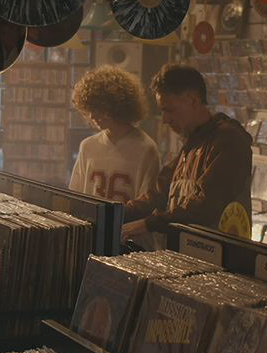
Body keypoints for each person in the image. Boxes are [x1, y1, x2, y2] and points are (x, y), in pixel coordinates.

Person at [121, 64, 254, 242]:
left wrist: (148, 224)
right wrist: (114, 212)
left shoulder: (229, 140)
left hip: (218, 255)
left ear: (193, 100)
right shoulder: (191, 143)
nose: (165, 120)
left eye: (169, 110)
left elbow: (207, 205)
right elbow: (157, 195)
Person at [66, 66, 162, 203]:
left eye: (98, 109)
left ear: (116, 106)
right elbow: (75, 197)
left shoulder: (146, 149)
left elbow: (147, 203)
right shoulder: (87, 146)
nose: (92, 116)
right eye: (89, 109)